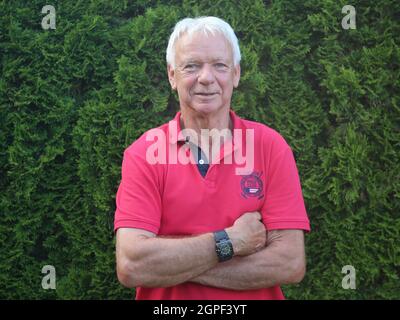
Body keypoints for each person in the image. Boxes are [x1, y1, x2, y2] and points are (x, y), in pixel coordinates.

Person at [114, 16, 310, 300]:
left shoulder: (270, 147)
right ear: (172, 76)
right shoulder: (144, 154)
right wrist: (230, 241)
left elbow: (289, 263)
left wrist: (173, 263)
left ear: (236, 74)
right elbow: (133, 265)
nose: (206, 78)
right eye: (191, 66)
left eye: (219, 65)